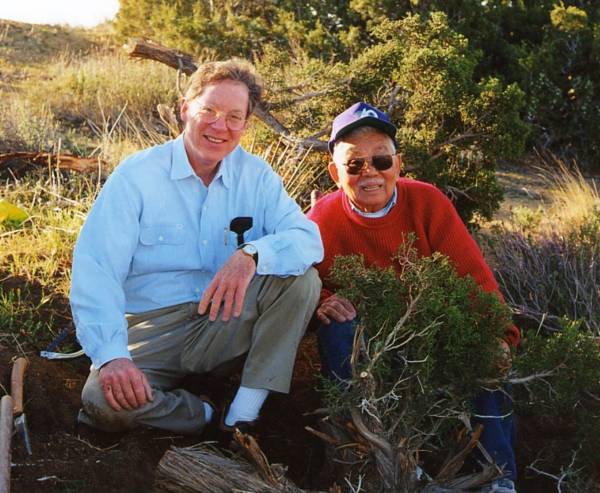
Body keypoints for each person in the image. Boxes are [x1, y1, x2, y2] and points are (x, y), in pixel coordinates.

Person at [70, 59, 323, 437]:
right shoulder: (137, 177)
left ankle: (242, 415)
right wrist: (112, 356)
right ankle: (204, 415)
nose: (220, 126)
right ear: (185, 109)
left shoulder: (257, 177)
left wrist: (251, 255)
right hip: (152, 328)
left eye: (234, 117)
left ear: (245, 125)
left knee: (303, 280)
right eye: (209, 110)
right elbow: (96, 270)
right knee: (104, 404)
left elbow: (308, 240)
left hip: (224, 322)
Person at [307, 102, 519, 493]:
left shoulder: (428, 202)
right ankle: (362, 464)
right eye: (354, 165)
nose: (369, 172)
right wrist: (320, 298)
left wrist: (498, 334)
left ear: (398, 164)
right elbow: (295, 281)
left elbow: (473, 277)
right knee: (336, 329)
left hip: (431, 333)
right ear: (335, 172)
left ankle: (499, 477)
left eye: (381, 160)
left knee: (484, 352)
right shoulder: (319, 220)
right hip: (369, 346)